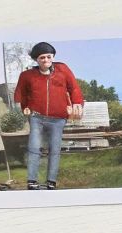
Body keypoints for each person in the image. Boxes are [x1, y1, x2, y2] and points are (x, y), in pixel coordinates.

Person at [13, 42, 82, 190]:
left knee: (55, 150)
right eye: (42, 58)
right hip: (37, 118)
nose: (45, 60)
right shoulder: (27, 75)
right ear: (36, 60)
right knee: (34, 148)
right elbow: (21, 94)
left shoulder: (63, 70)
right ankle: (32, 181)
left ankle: (51, 181)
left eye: (48, 57)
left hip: (58, 119)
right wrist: (25, 107)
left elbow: (74, 88)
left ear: (53, 57)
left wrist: (77, 102)